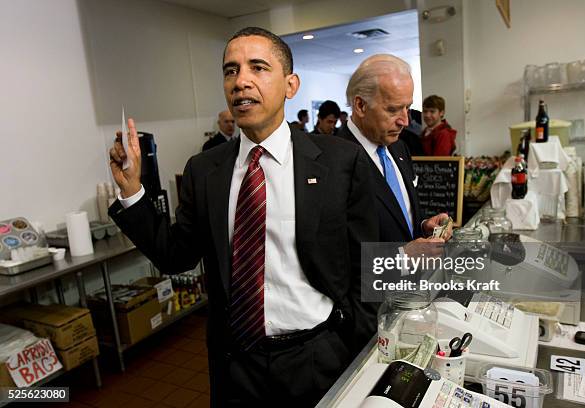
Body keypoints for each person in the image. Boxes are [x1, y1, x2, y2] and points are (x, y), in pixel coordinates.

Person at [108, 27, 378, 407]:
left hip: (317, 355)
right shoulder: (205, 171)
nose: (241, 81)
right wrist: (133, 191)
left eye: (258, 67)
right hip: (236, 365)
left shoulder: (340, 162)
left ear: (290, 84)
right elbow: (176, 255)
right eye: (230, 70)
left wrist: (357, 341)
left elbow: (365, 263)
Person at [337, 54, 452, 245]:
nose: (405, 121)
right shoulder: (332, 161)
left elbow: (399, 217)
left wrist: (424, 226)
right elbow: (338, 256)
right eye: (392, 110)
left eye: (407, 108)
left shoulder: (399, 147)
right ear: (360, 105)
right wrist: (402, 258)